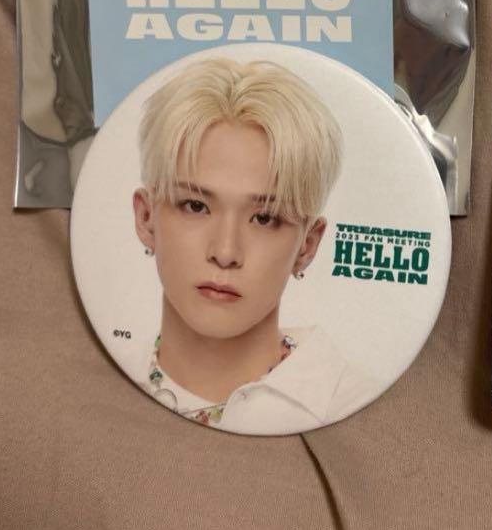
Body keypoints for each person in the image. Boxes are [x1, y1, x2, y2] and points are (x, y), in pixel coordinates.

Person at [131, 56, 375, 433]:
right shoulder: (89, 377)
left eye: (264, 218)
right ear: (146, 218)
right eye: (195, 206)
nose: (225, 253)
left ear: (307, 246)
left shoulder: (360, 407)